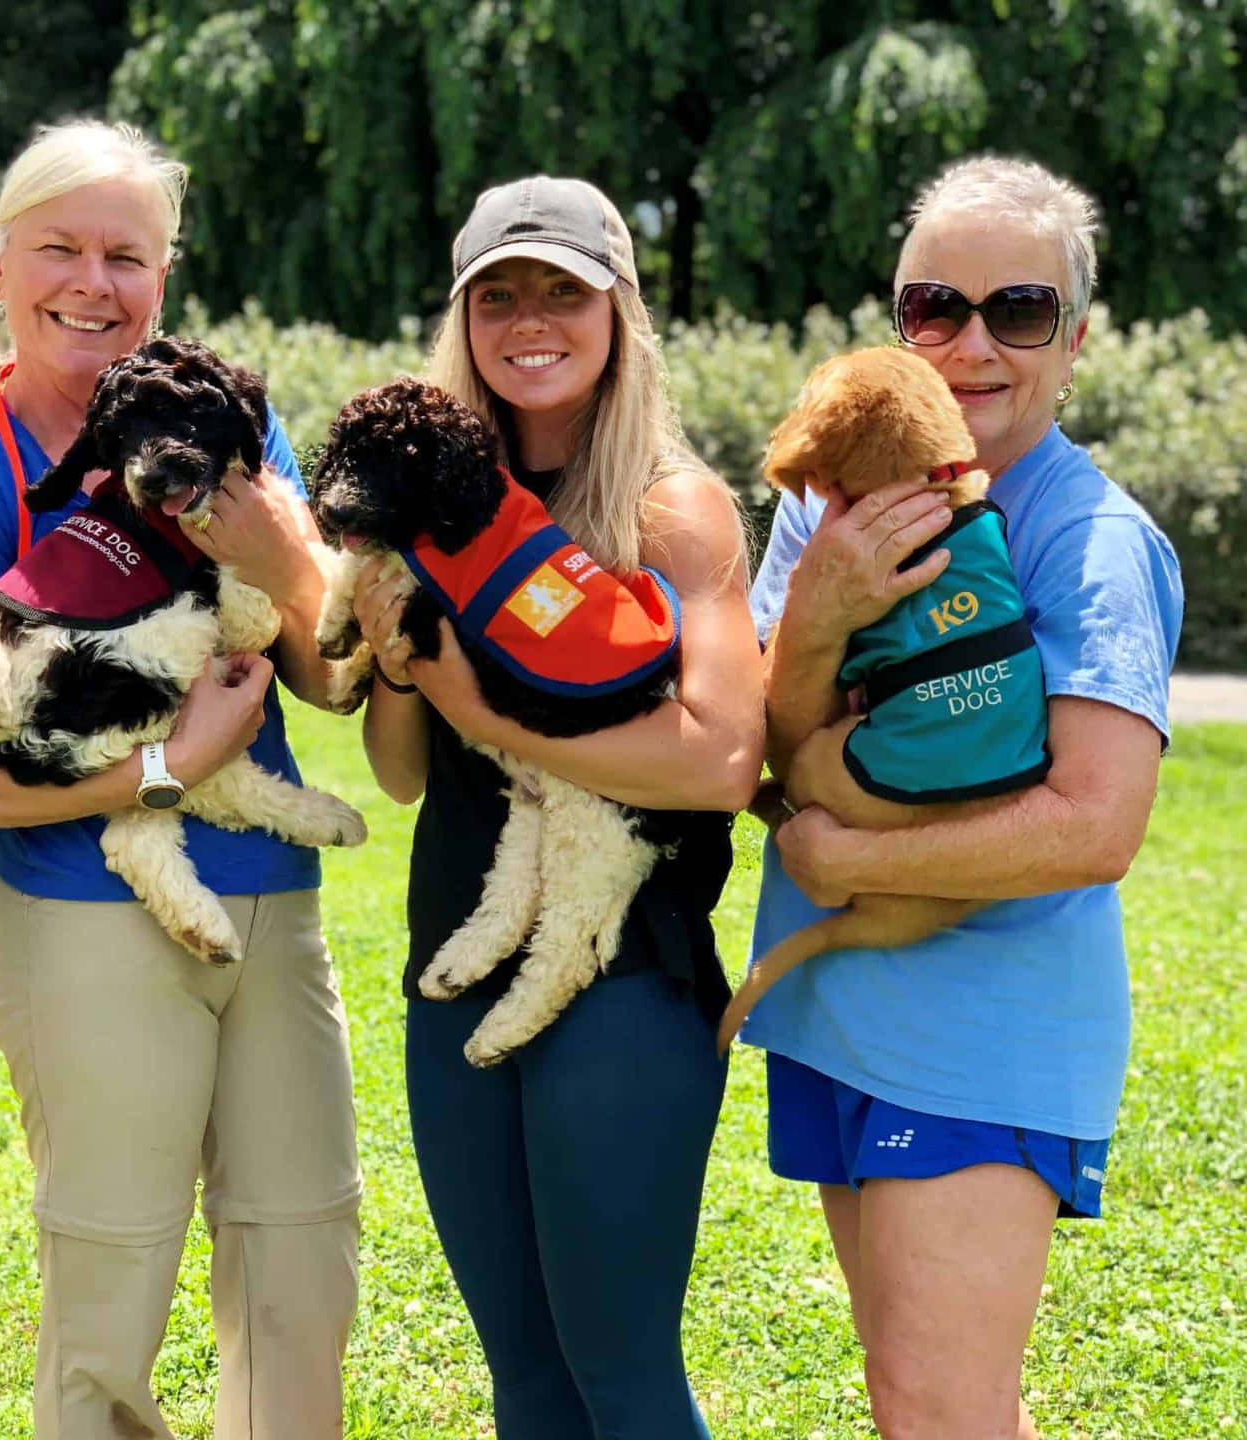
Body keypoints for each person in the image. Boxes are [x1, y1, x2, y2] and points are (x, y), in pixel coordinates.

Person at [0, 119, 360, 1440]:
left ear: (165, 276)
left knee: (302, 1262)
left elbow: (331, 680)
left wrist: (285, 550)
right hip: (86, 920)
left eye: (128, 255)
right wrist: (164, 772)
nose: (93, 282)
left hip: (272, 907)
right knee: (112, 1287)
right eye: (60, 249)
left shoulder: (220, 436)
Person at [742, 156, 1183, 1438]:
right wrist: (818, 613)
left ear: (1077, 337)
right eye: (938, 306)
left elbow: (1099, 826)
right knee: (926, 1400)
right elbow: (760, 746)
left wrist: (849, 859)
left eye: (1021, 312)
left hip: (988, 1029)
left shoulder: (1088, 536)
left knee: (938, 1407)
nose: (974, 345)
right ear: (899, 323)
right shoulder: (835, 493)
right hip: (837, 1005)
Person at [354, 176, 765, 1438]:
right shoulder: (427, 506)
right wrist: (390, 652)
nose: (531, 320)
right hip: (455, 965)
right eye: (500, 296)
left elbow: (718, 765)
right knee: (525, 1383)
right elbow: (400, 770)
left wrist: (483, 710)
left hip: (626, 985)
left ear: (619, 316)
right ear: (465, 320)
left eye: (563, 293)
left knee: (623, 1380)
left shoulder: (670, 506)